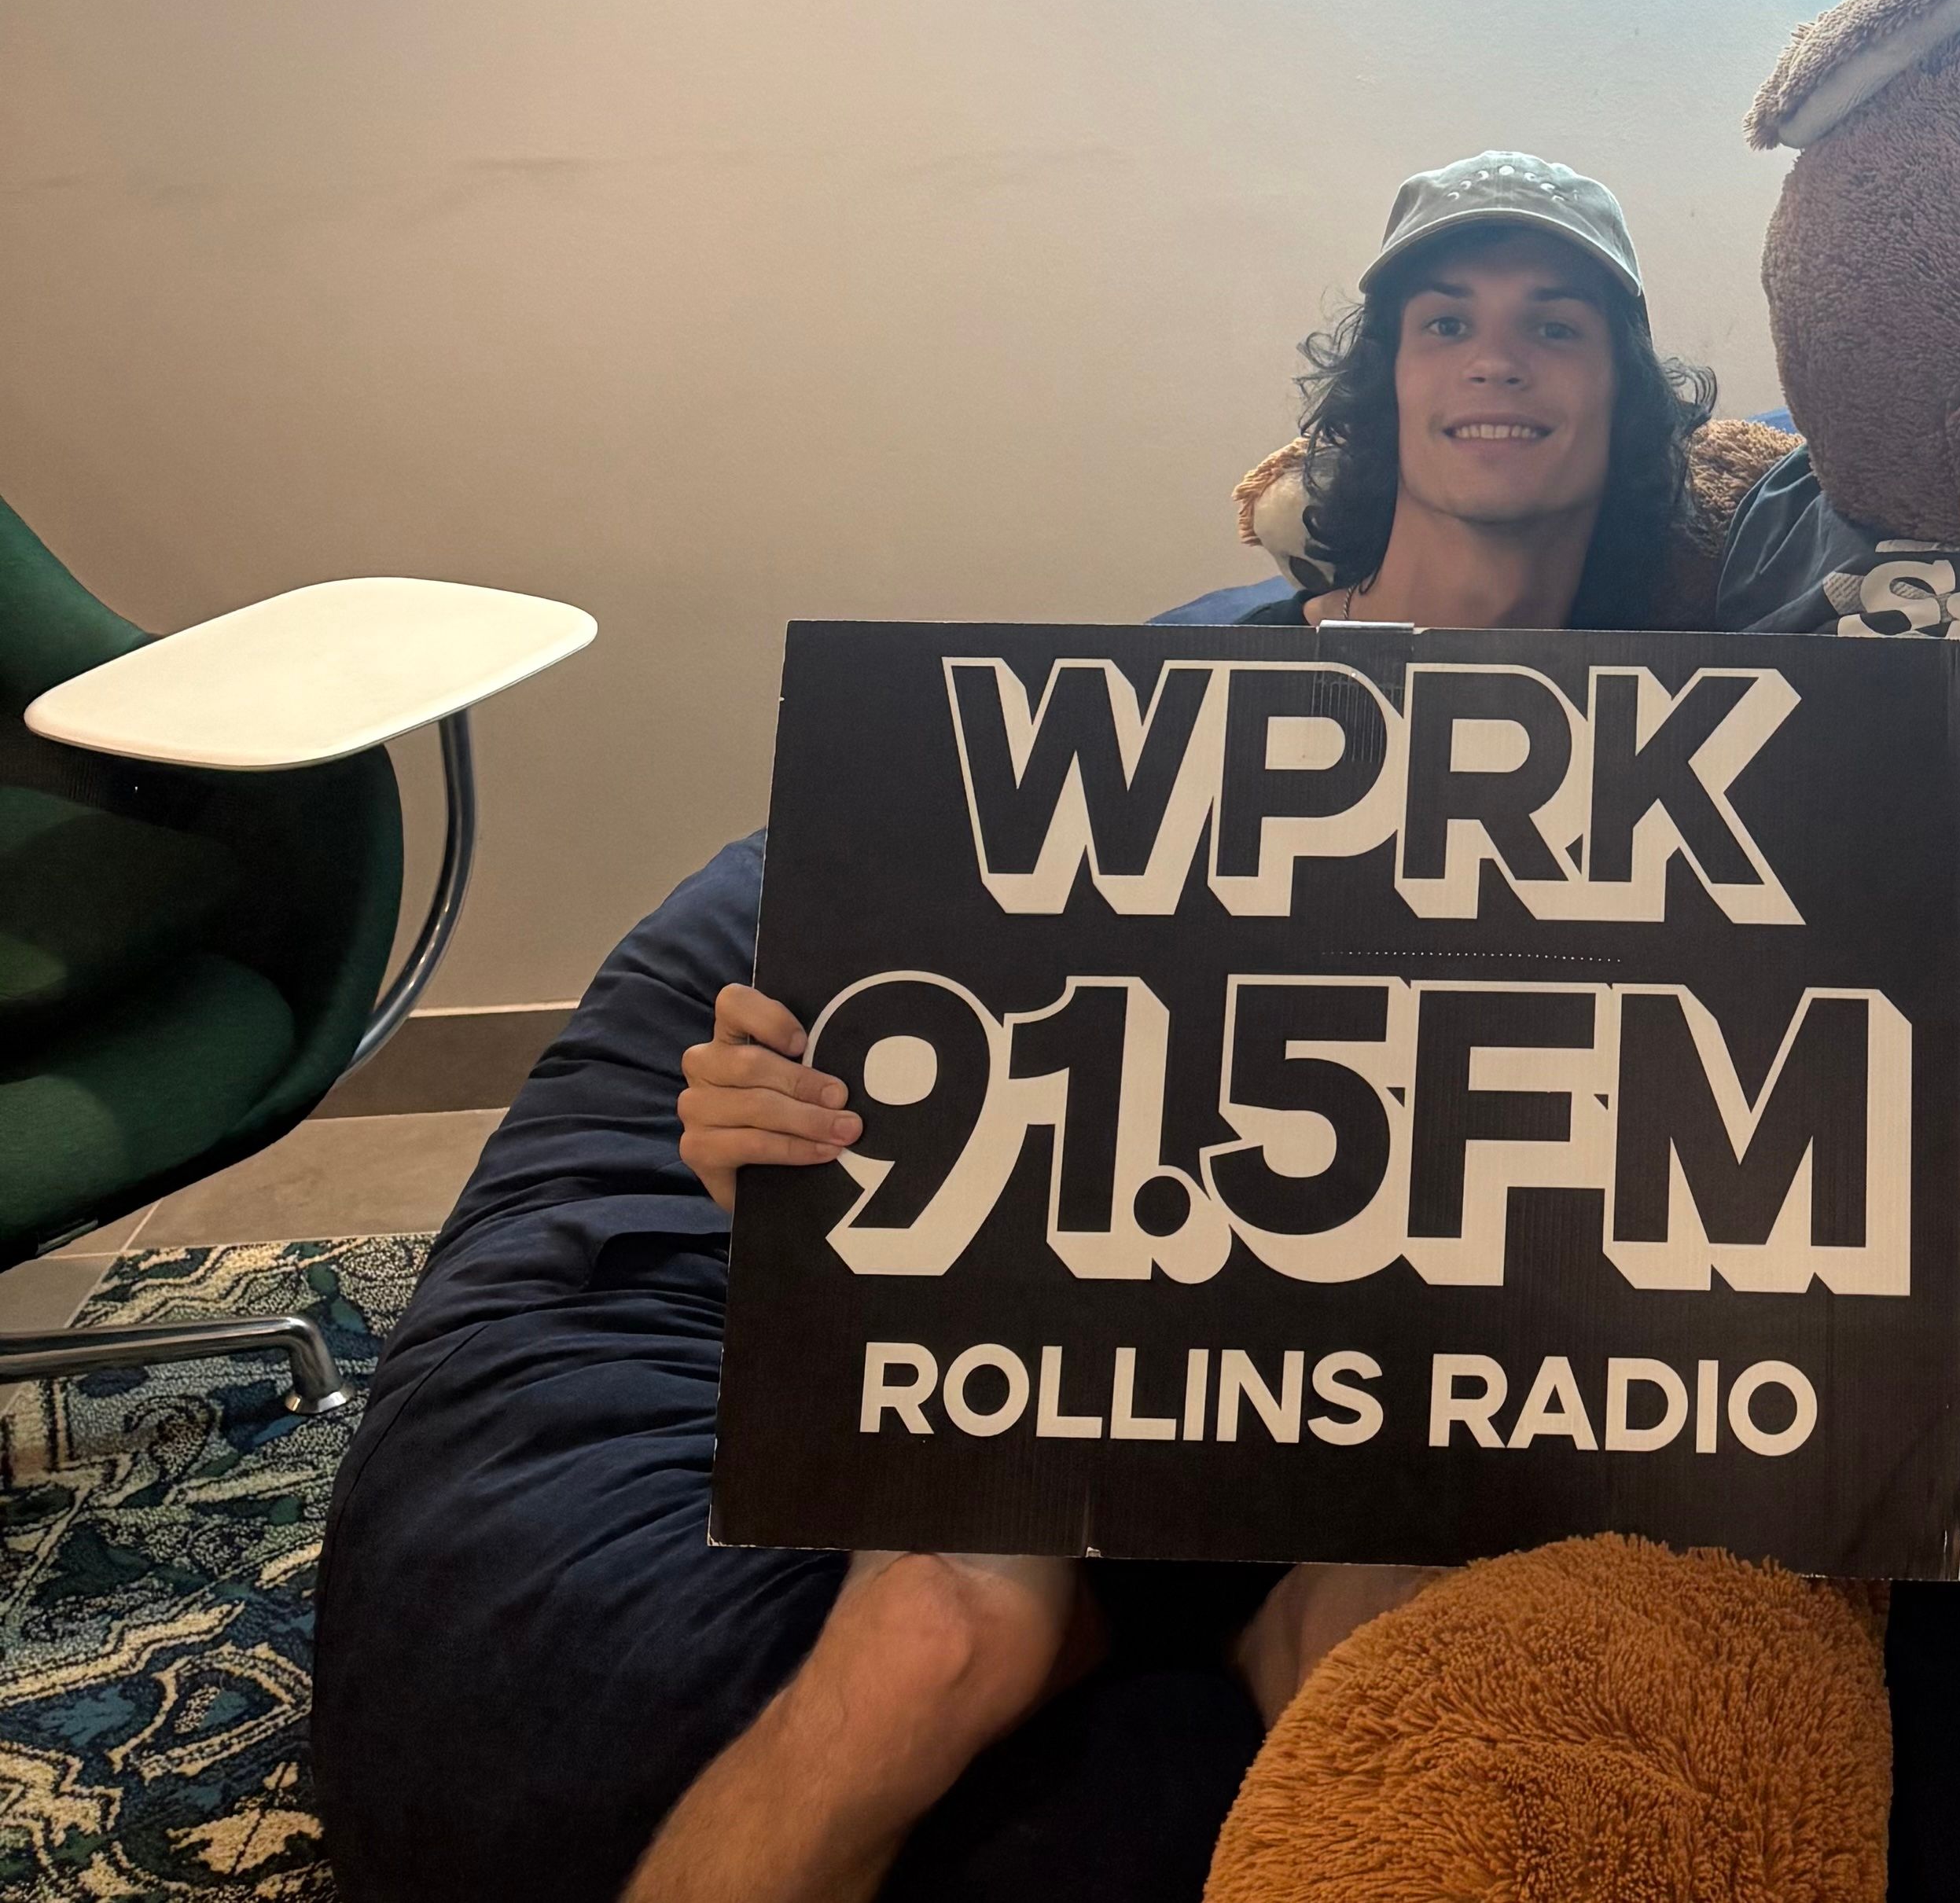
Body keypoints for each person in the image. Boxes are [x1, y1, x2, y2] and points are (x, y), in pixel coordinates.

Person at [629, 156, 1724, 1903]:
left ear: (1626, 394)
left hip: (1419, 1420)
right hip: (1082, 1382)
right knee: (920, 1642)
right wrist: (783, 1144)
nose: (1496, 360)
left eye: (1556, 325)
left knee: (1389, 1666)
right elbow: (983, 1051)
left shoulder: (1705, 732)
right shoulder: (1180, 687)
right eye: (1446, 323)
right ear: (1384, 389)